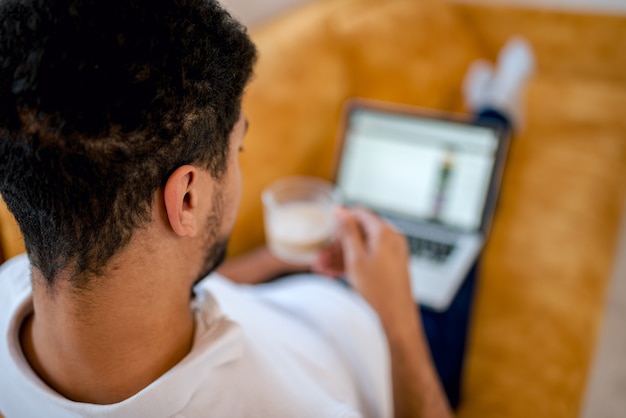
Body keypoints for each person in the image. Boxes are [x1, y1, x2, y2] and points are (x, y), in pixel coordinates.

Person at [0, 0, 533, 416]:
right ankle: (497, 113)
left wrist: (284, 259)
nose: (239, 167)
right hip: (391, 346)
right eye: (239, 150)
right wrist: (395, 320)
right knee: (460, 220)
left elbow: (192, 286)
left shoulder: (25, 286)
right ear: (186, 198)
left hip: (305, 289)